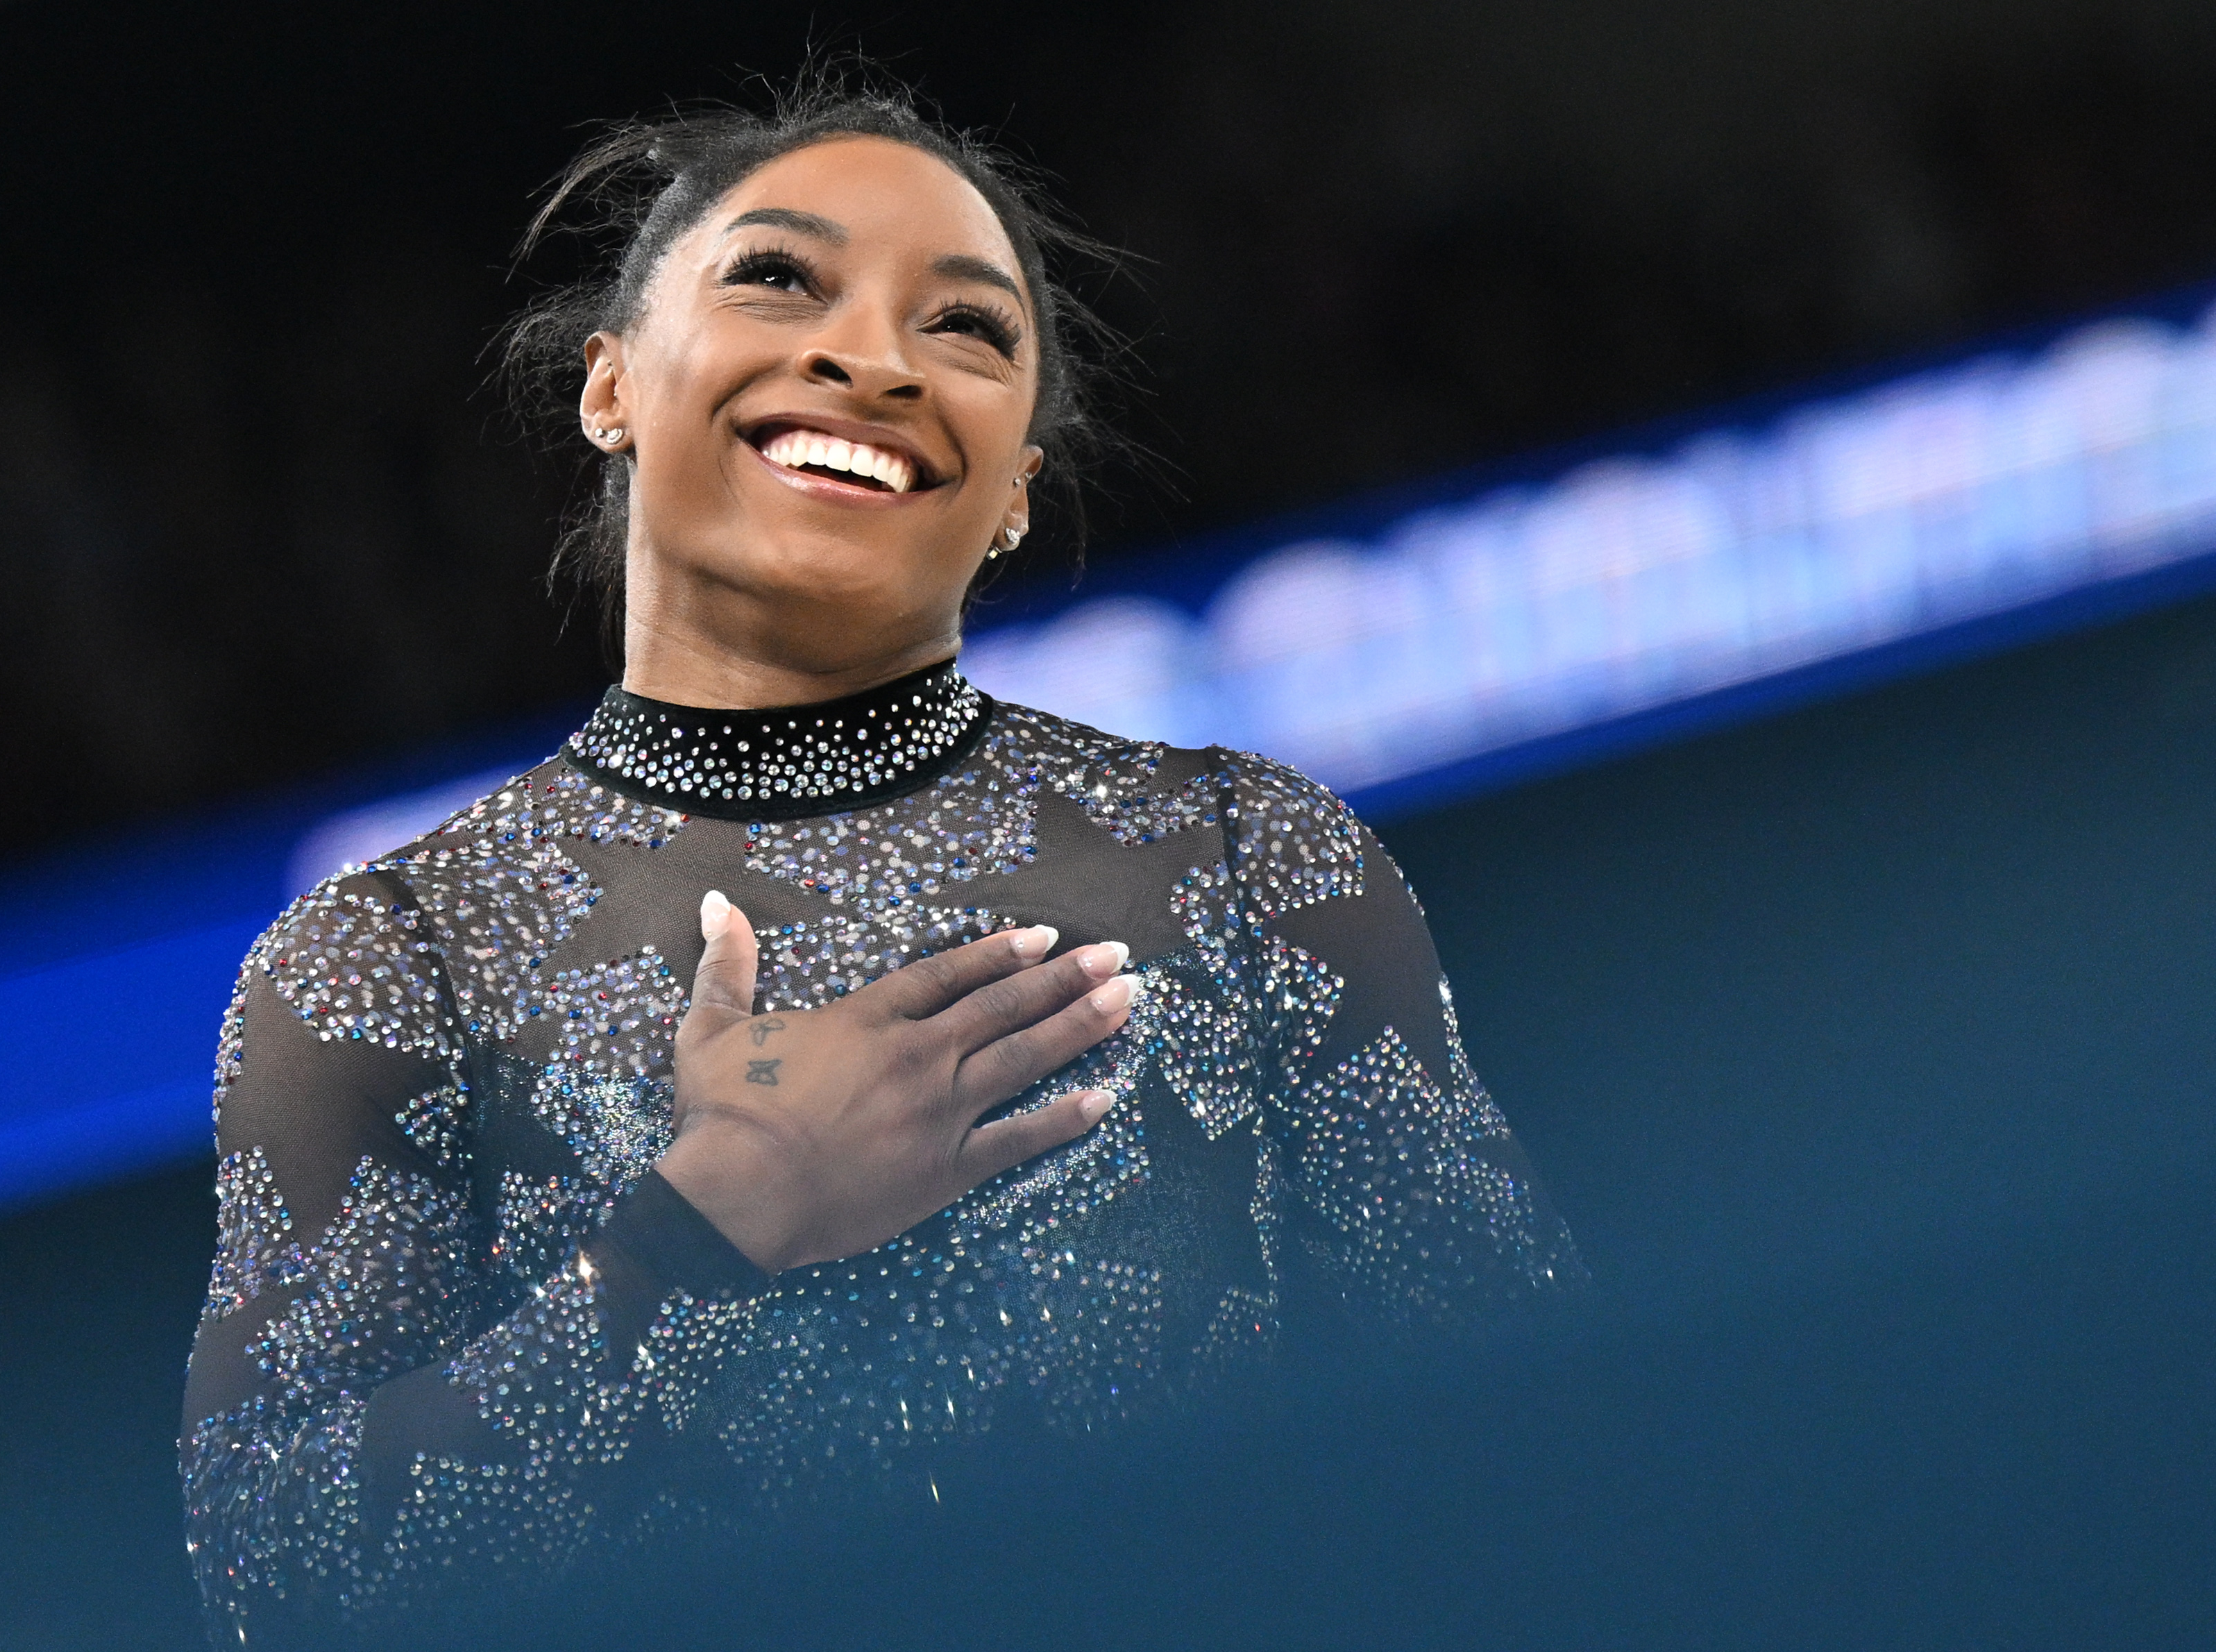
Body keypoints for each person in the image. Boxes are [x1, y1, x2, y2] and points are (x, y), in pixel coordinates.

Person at [179, 77, 1582, 1647]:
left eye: (968, 330)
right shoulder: (393, 958)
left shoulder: (1249, 860)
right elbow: (279, 1576)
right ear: (613, 385)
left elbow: (1529, 1434)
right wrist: (703, 1223)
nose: (872, 357)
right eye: (778, 276)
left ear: (1016, 494)